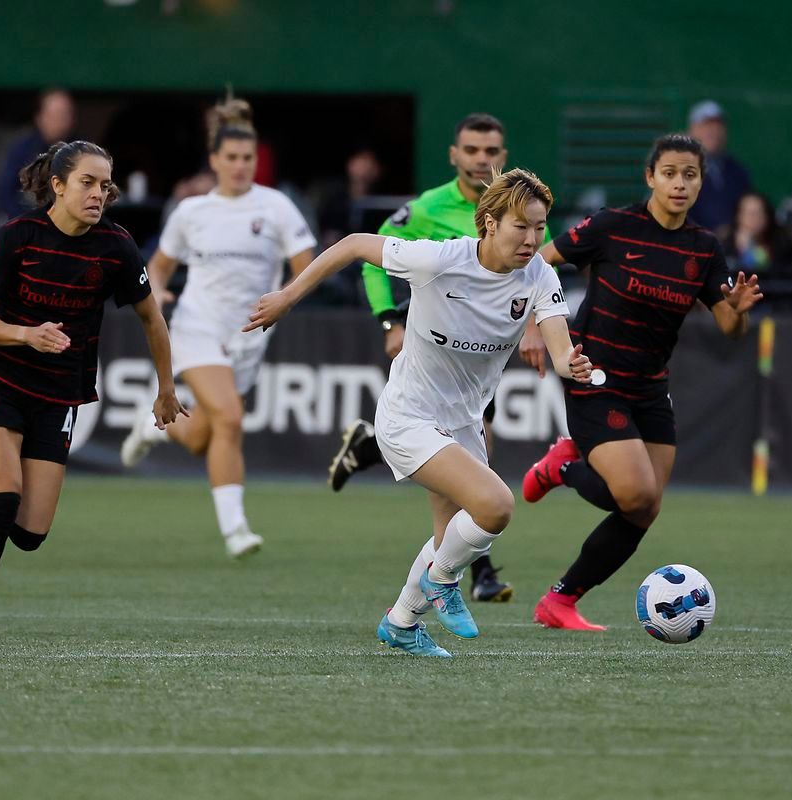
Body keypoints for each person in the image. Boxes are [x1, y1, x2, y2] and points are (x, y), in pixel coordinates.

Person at [244, 169, 592, 657]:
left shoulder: (539, 275)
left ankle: (402, 622)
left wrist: (570, 364)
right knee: (495, 506)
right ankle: (441, 581)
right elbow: (351, 244)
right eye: (522, 226)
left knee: (457, 536)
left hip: (462, 422)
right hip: (408, 416)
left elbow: (558, 348)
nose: (533, 239)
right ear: (488, 223)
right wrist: (286, 297)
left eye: (539, 227)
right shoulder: (438, 259)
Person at [520, 133, 763, 631]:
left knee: (644, 508)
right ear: (650, 176)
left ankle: (559, 601)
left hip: (650, 385)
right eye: (670, 173)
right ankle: (561, 468)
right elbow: (537, 262)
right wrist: (531, 327)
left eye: (690, 175)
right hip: (595, 372)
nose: (679, 183)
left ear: (700, 183)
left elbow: (730, 330)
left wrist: (737, 313)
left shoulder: (703, 249)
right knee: (632, 493)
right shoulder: (613, 226)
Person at [0, 140, 185, 640]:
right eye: (87, 182)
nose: (98, 193)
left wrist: (166, 388)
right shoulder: (17, 237)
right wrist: (26, 334)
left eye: (105, 185)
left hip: (58, 393)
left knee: (31, 535)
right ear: (57, 186)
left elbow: (152, 318)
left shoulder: (116, 247)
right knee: (5, 498)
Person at [327, 112, 549, 603]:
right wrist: (389, 321)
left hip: (482, 362)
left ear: (503, 157)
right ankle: (471, 574)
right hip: (438, 346)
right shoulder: (427, 210)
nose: (481, 160)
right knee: (469, 473)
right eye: (471, 150)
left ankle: (429, 586)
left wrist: (536, 326)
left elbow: (539, 276)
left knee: (465, 467)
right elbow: (369, 256)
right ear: (454, 155)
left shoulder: (527, 217)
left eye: (490, 152)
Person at [118, 95, 316, 558]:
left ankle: (154, 427)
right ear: (214, 160)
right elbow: (160, 265)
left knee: (203, 437)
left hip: (249, 336)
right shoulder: (192, 212)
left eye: (248, 158)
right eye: (231, 158)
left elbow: (307, 263)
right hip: (196, 327)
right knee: (230, 417)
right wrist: (159, 290)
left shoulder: (277, 207)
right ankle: (236, 530)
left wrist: (286, 298)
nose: (240, 166)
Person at [0, 88, 75, 222]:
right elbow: (5, 194)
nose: (60, 122)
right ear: (39, 118)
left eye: (64, 115)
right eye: (54, 116)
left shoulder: (82, 151)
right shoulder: (22, 150)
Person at [685, 100, 752, 237]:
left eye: (718, 125)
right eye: (706, 125)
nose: (713, 131)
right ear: (692, 130)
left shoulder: (737, 171)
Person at [722, 191, 789, 273]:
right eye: (749, 214)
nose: (754, 219)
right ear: (738, 217)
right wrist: (743, 250)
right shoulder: (724, 246)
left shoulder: (782, 245)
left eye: (758, 213)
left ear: (767, 217)